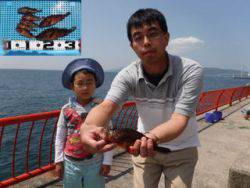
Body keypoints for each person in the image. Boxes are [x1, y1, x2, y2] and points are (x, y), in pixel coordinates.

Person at [81, 8, 203, 188]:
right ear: (132, 45)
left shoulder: (190, 70)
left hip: (181, 150)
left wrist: (150, 137)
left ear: (166, 38)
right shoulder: (127, 75)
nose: (146, 42)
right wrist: (87, 127)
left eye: (153, 34)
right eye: (138, 37)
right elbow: (106, 107)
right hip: (142, 149)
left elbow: (179, 119)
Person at [54, 58, 113, 188]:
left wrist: (107, 161)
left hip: (95, 162)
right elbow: (60, 136)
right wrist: (58, 161)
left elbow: (109, 136)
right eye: (80, 83)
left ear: (95, 84)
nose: (85, 87)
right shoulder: (66, 109)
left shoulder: (101, 108)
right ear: (72, 86)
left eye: (89, 82)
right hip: (70, 163)